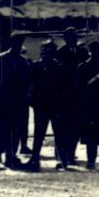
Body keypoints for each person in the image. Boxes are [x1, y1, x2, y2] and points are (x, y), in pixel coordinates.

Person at [0, 34, 31, 169]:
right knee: (0, 130)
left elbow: (28, 81)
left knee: (15, 131)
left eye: (20, 42)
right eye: (16, 41)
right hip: (3, 101)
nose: (18, 44)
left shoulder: (23, 61)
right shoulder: (1, 59)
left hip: (18, 102)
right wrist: (2, 85)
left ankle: (10, 157)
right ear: (11, 42)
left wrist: (25, 91)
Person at [26, 40, 65, 170]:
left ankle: (61, 160)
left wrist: (60, 104)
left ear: (54, 52)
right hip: (41, 106)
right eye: (44, 50)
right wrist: (33, 102)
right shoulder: (36, 67)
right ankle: (35, 159)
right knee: (39, 134)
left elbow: (64, 88)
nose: (46, 53)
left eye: (50, 50)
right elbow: (29, 85)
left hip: (55, 106)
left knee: (58, 134)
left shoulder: (59, 67)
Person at [53, 27, 85, 168]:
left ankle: (71, 154)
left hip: (78, 96)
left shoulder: (83, 52)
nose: (73, 39)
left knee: (76, 127)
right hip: (63, 97)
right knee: (62, 128)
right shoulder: (59, 53)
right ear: (65, 38)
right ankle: (62, 156)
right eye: (70, 37)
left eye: (75, 36)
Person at [78, 41, 99, 170]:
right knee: (93, 134)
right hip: (92, 105)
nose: (97, 54)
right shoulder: (86, 67)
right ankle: (94, 160)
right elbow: (81, 87)